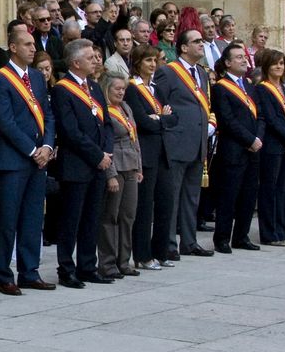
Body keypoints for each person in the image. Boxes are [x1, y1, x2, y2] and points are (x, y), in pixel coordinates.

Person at [51, 38, 112, 286]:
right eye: (89, 57)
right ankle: (66, 269)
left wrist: (106, 152)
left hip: (99, 163)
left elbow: (106, 123)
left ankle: (88, 266)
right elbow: (70, 131)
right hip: (77, 164)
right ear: (76, 63)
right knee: (71, 219)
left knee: (92, 218)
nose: (95, 61)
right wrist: (97, 155)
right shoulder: (62, 89)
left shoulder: (94, 87)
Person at [155, 29, 213, 260]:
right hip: (176, 143)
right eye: (196, 41)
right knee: (172, 196)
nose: (201, 44)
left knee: (191, 196)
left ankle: (189, 241)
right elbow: (159, 104)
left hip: (197, 142)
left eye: (201, 41)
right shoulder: (168, 72)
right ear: (184, 47)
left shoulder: (202, 73)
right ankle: (168, 243)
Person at [210, 42, 262, 253]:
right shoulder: (221, 87)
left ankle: (241, 236)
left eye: (244, 57)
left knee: (248, 196)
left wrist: (258, 138)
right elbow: (227, 120)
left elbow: (260, 116)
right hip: (234, 149)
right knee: (228, 196)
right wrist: (249, 140)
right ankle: (222, 238)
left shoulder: (249, 86)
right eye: (238, 57)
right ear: (228, 62)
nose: (244, 60)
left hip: (253, 149)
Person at [96, 73, 143, 279]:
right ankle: (107, 263)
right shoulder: (104, 110)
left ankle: (124, 261)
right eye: (117, 88)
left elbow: (135, 139)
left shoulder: (126, 108)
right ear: (107, 89)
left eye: (123, 88)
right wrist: (111, 175)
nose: (121, 92)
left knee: (128, 216)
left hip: (131, 166)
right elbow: (106, 144)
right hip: (115, 166)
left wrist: (139, 167)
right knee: (110, 216)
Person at [251, 49, 285, 246]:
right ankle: (269, 233)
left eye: (282, 63)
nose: (279, 67)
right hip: (272, 144)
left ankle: (281, 231)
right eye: (275, 63)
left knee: (282, 189)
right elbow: (271, 118)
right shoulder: (263, 88)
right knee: (269, 189)